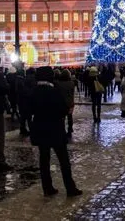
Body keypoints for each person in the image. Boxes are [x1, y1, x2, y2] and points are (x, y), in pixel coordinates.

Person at [30, 66, 82, 197]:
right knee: (64, 161)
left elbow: (29, 110)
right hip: (55, 129)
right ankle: (70, 188)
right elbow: (63, 109)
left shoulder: (34, 91)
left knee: (44, 160)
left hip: (40, 129)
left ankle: (47, 188)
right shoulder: (54, 91)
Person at [17, 67, 36, 136]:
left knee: (23, 116)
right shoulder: (33, 79)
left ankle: (22, 129)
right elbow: (34, 89)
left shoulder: (23, 78)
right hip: (28, 99)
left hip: (21, 99)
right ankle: (31, 130)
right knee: (29, 116)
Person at [56, 69, 76, 137]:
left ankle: (63, 130)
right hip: (70, 103)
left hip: (62, 103)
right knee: (70, 117)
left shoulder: (59, 84)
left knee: (62, 117)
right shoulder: (72, 83)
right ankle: (70, 129)